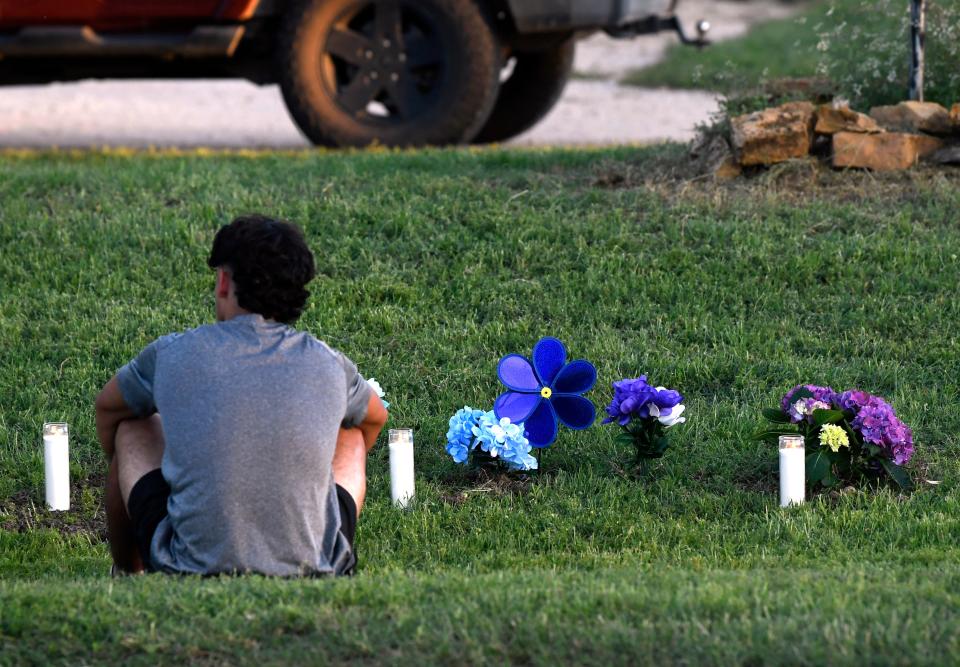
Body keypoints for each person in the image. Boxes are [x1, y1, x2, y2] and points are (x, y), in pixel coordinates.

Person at [95, 214, 387, 576]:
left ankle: (128, 570)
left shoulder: (171, 354)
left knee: (131, 427)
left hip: (189, 566)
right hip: (314, 566)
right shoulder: (330, 363)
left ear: (223, 281)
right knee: (352, 431)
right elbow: (375, 417)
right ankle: (319, 547)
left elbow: (108, 408)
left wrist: (137, 476)